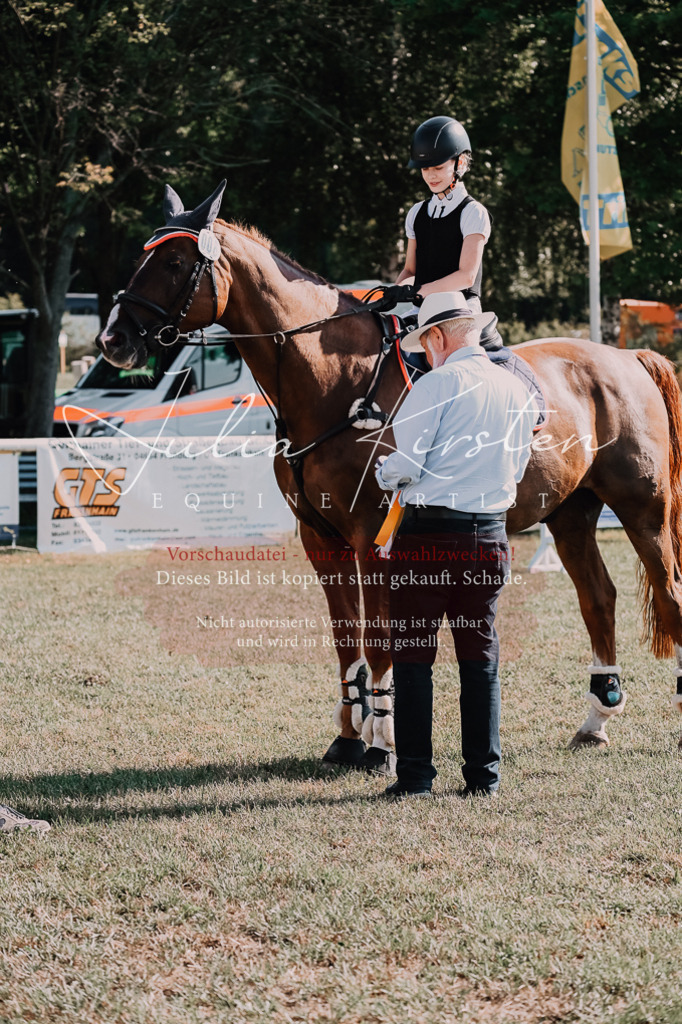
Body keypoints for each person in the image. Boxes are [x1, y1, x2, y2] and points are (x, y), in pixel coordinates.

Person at [374, 291, 536, 799]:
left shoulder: (436, 384)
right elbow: (517, 469)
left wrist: (384, 471)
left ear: (439, 337)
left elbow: (407, 466)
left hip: (429, 538)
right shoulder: (516, 387)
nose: (427, 353)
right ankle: (484, 778)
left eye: (426, 344)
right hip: (489, 536)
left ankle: (416, 777)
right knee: (479, 656)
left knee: (414, 657)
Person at [390, 116, 491, 315]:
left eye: (438, 167)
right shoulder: (416, 213)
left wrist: (418, 291)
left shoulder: (473, 212)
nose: (431, 175)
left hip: (460, 309)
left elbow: (467, 277)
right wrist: (394, 292)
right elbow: (411, 270)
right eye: (425, 168)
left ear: (460, 163)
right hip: (421, 309)